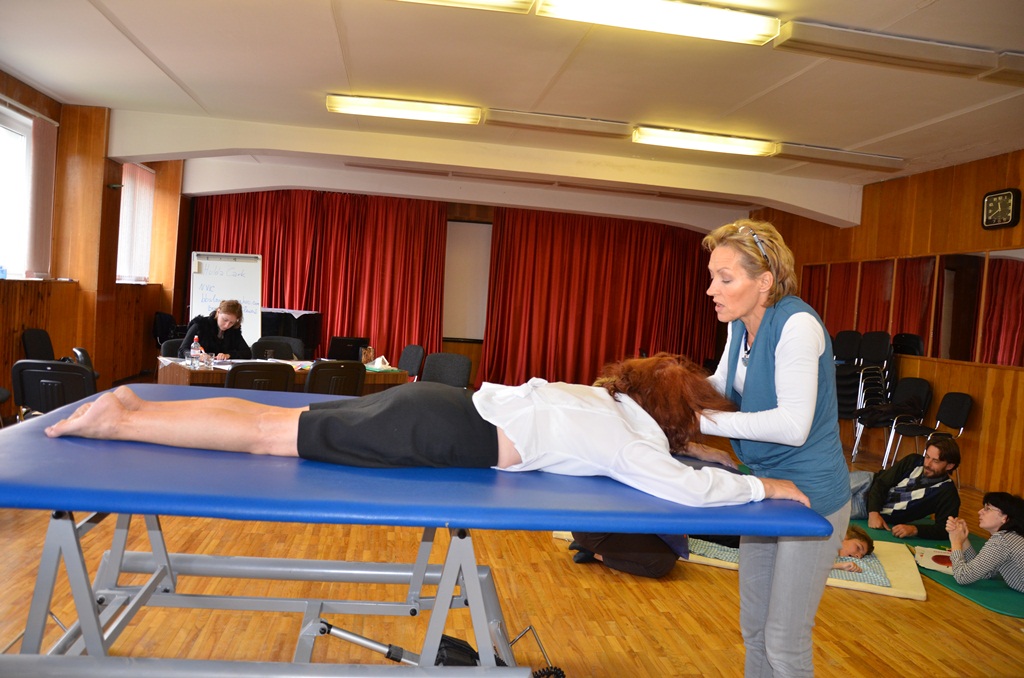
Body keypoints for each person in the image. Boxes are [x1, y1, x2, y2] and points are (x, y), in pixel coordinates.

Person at [45, 353, 810, 511]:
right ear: (668, 419)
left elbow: (668, 446)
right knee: (268, 440)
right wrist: (761, 486)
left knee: (276, 422)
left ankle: (131, 409)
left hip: (441, 403)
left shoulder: (602, 403)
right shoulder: (629, 443)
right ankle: (122, 424)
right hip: (440, 437)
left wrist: (691, 442)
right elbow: (685, 489)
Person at [697, 219, 851, 677]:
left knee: (785, 641)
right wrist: (663, 400)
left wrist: (700, 420)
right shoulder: (739, 326)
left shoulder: (797, 325)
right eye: (712, 277)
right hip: (767, 489)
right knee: (754, 629)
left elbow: (791, 425)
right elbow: (720, 386)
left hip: (813, 499)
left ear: (764, 282)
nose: (711, 289)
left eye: (725, 279)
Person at [851, 436, 961, 540]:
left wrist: (915, 529)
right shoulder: (913, 461)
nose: (927, 464)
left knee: (839, 509)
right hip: (868, 483)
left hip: (864, 507)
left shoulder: (947, 494)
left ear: (949, 466)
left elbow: (945, 529)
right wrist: (873, 512)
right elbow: (881, 483)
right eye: (927, 457)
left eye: (935, 461)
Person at [946, 491, 1024, 594]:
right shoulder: (1010, 536)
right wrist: (963, 540)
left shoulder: (1002, 541)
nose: (980, 512)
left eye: (988, 509)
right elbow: (986, 573)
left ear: (1004, 518)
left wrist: (956, 542)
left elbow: (962, 577)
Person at [177, 300, 252, 360]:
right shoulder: (200, 325)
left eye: (231, 322)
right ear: (218, 312)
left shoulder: (234, 330)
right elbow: (182, 350)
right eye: (225, 320)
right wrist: (198, 355)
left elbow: (247, 353)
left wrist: (228, 355)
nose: (227, 325)